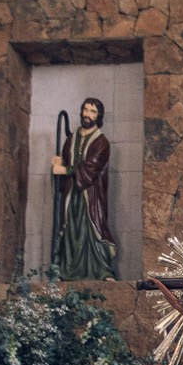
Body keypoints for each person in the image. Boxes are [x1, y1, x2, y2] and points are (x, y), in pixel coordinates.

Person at [51, 97, 117, 279]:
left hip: (91, 195)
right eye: (86, 110)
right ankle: (66, 272)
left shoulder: (101, 142)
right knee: (69, 229)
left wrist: (64, 169)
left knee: (92, 229)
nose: (88, 114)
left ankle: (102, 270)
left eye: (92, 111)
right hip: (71, 193)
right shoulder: (72, 138)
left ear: (98, 116)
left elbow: (91, 169)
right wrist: (59, 163)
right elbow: (67, 159)